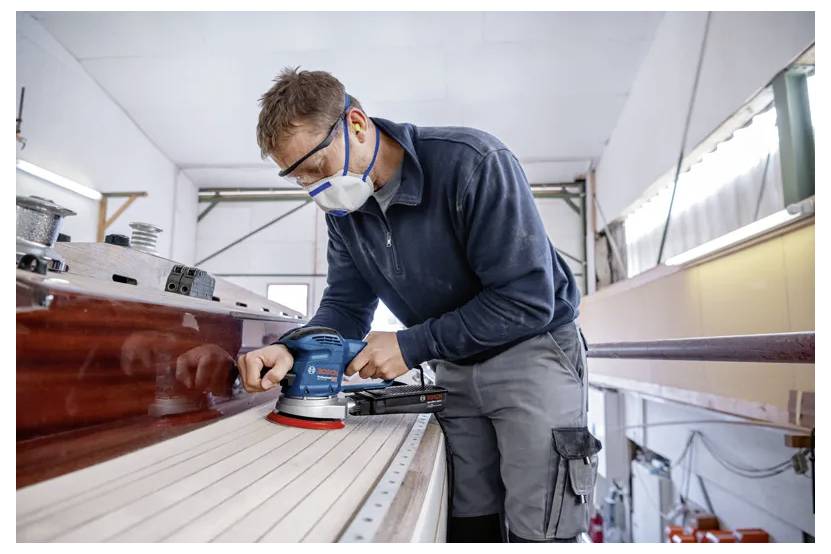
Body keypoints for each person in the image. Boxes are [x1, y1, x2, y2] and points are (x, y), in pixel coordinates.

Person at [237, 68, 600, 543]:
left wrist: (412, 345)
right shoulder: (346, 212)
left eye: (317, 166)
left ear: (357, 124)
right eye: (297, 177)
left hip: (532, 354)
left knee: (541, 526)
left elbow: (525, 300)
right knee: (470, 519)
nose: (314, 188)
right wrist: (294, 349)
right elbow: (346, 305)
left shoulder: (473, 163)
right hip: (452, 363)